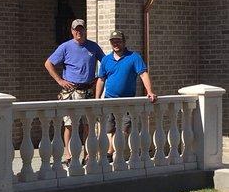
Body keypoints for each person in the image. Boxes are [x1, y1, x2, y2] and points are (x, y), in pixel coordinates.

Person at [45, 19, 105, 165]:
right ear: (72, 31)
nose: (79, 32)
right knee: (69, 124)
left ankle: (87, 154)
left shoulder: (93, 47)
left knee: (87, 124)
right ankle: (68, 155)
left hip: (87, 90)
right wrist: (60, 81)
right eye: (76, 29)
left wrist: (100, 78)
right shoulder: (65, 47)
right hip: (71, 91)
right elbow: (48, 63)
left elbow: (105, 62)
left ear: (85, 30)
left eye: (81, 29)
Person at [95, 30, 157, 162]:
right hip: (109, 101)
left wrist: (150, 91)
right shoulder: (106, 60)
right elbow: (101, 80)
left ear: (124, 42)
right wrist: (97, 98)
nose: (116, 44)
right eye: (113, 41)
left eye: (118, 41)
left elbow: (143, 74)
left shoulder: (134, 57)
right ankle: (111, 155)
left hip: (127, 101)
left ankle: (110, 153)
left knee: (124, 129)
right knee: (109, 130)